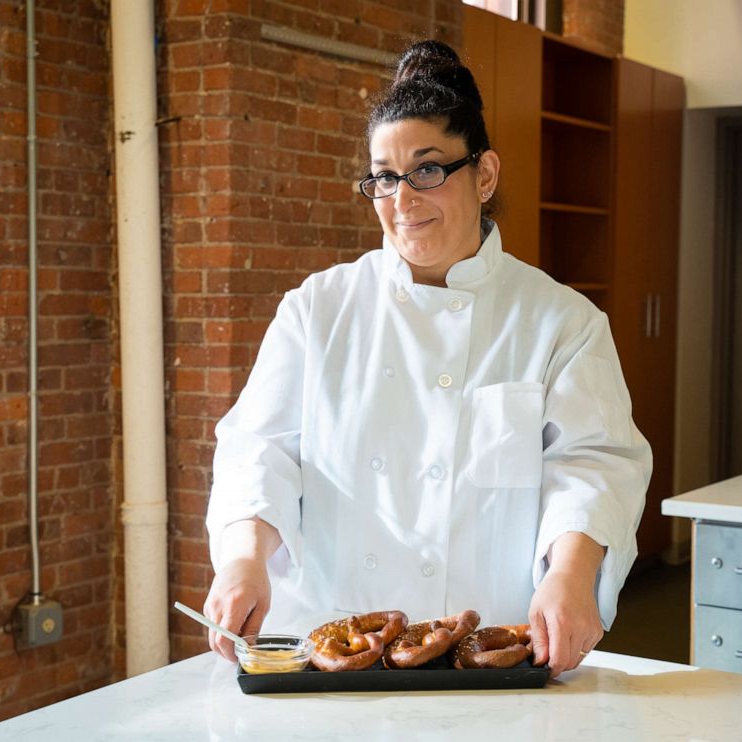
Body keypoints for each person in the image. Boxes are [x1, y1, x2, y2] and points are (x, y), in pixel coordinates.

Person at [203, 40, 652, 678]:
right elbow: (260, 448)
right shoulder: (318, 309)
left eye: (428, 169)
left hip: (488, 651)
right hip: (333, 649)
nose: (402, 199)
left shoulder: (560, 321)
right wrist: (245, 558)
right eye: (384, 177)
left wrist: (573, 574)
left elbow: (593, 464)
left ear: (486, 174)